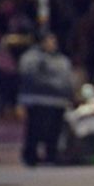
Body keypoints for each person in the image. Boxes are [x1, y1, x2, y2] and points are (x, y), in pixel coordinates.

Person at [18, 32, 73, 166]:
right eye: (49, 41)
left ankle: (51, 155)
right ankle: (30, 155)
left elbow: (67, 79)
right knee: (35, 129)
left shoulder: (62, 59)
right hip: (37, 100)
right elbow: (29, 76)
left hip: (58, 101)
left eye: (54, 41)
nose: (52, 44)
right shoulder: (31, 58)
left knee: (54, 130)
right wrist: (53, 83)